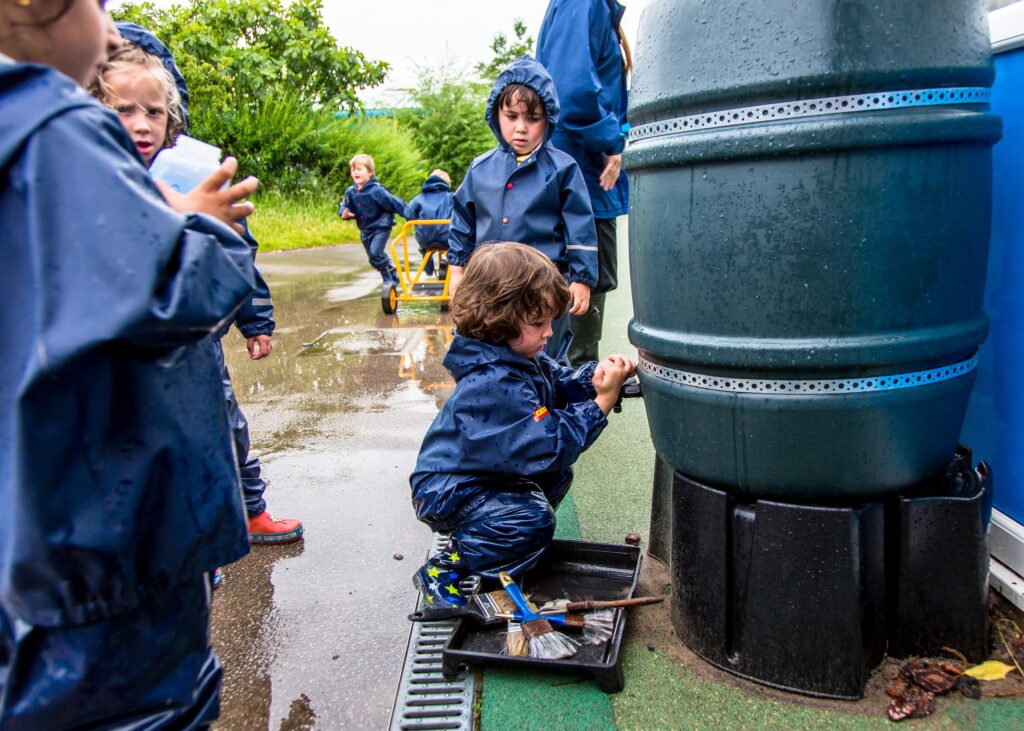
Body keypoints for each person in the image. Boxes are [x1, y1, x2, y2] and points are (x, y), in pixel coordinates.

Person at [0, 2, 260, 727]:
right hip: (113, 538)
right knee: (148, 705)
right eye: (100, 4)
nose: (112, 30)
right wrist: (201, 223)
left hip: (37, 528)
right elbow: (178, 293)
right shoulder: (57, 132)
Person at [95, 24, 304, 552]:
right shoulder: (83, 178)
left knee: (224, 428)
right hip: (120, 361)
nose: (141, 125)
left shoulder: (194, 175)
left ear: (173, 119)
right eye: (123, 109)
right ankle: (179, 543)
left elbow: (240, 252)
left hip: (197, 348)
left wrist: (256, 321)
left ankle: (249, 513)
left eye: (154, 112)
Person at [409, 243, 635, 607]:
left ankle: (499, 539)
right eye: (538, 323)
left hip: (480, 474)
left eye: (550, 321)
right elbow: (548, 443)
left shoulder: (518, 355)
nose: (549, 333)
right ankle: (450, 566)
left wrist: (596, 377)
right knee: (531, 519)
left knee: (556, 478)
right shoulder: (494, 382)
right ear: (498, 319)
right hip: (451, 488)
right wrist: (601, 404)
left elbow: (558, 384)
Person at [446, 55, 599, 362]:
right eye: (511, 116)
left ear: (548, 119)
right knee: (486, 350)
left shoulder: (562, 169)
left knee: (547, 356)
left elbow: (580, 225)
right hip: (490, 284)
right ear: (496, 114)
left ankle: (550, 405)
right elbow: (463, 221)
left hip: (542, 285)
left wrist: (582, 279)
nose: (521, 128)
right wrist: (457, 269)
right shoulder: (480, 169)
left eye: (532, 118)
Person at [537, 0, 631, 366]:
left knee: (582, 281)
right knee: (578, 280)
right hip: (584, 173)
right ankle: (562, 403)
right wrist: (611, 141)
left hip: (582, 173)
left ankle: (562, 398)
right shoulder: (583, 2)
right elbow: (571, 89)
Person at [338, 153, 406, 285]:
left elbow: (394, 203)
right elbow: (345, 205)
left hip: (381, 227)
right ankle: (392, 271)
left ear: (370, 173)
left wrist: (409, 213)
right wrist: (344, 213)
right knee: (374, 258)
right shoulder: (350, 192)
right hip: (365, 229)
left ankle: (387, 279)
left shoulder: (377, 190)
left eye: (360, 169)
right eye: (353, 170)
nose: (355, 172)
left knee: (375, 254)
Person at [404, 168, 453, 277]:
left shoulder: (419, 198)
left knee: (424, 249)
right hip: (447, 239)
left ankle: (428, 269)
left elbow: (408, 214)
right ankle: (454, 270)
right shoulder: (451, 197)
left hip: (425, 240)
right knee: (456, 247)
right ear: (447, 184)